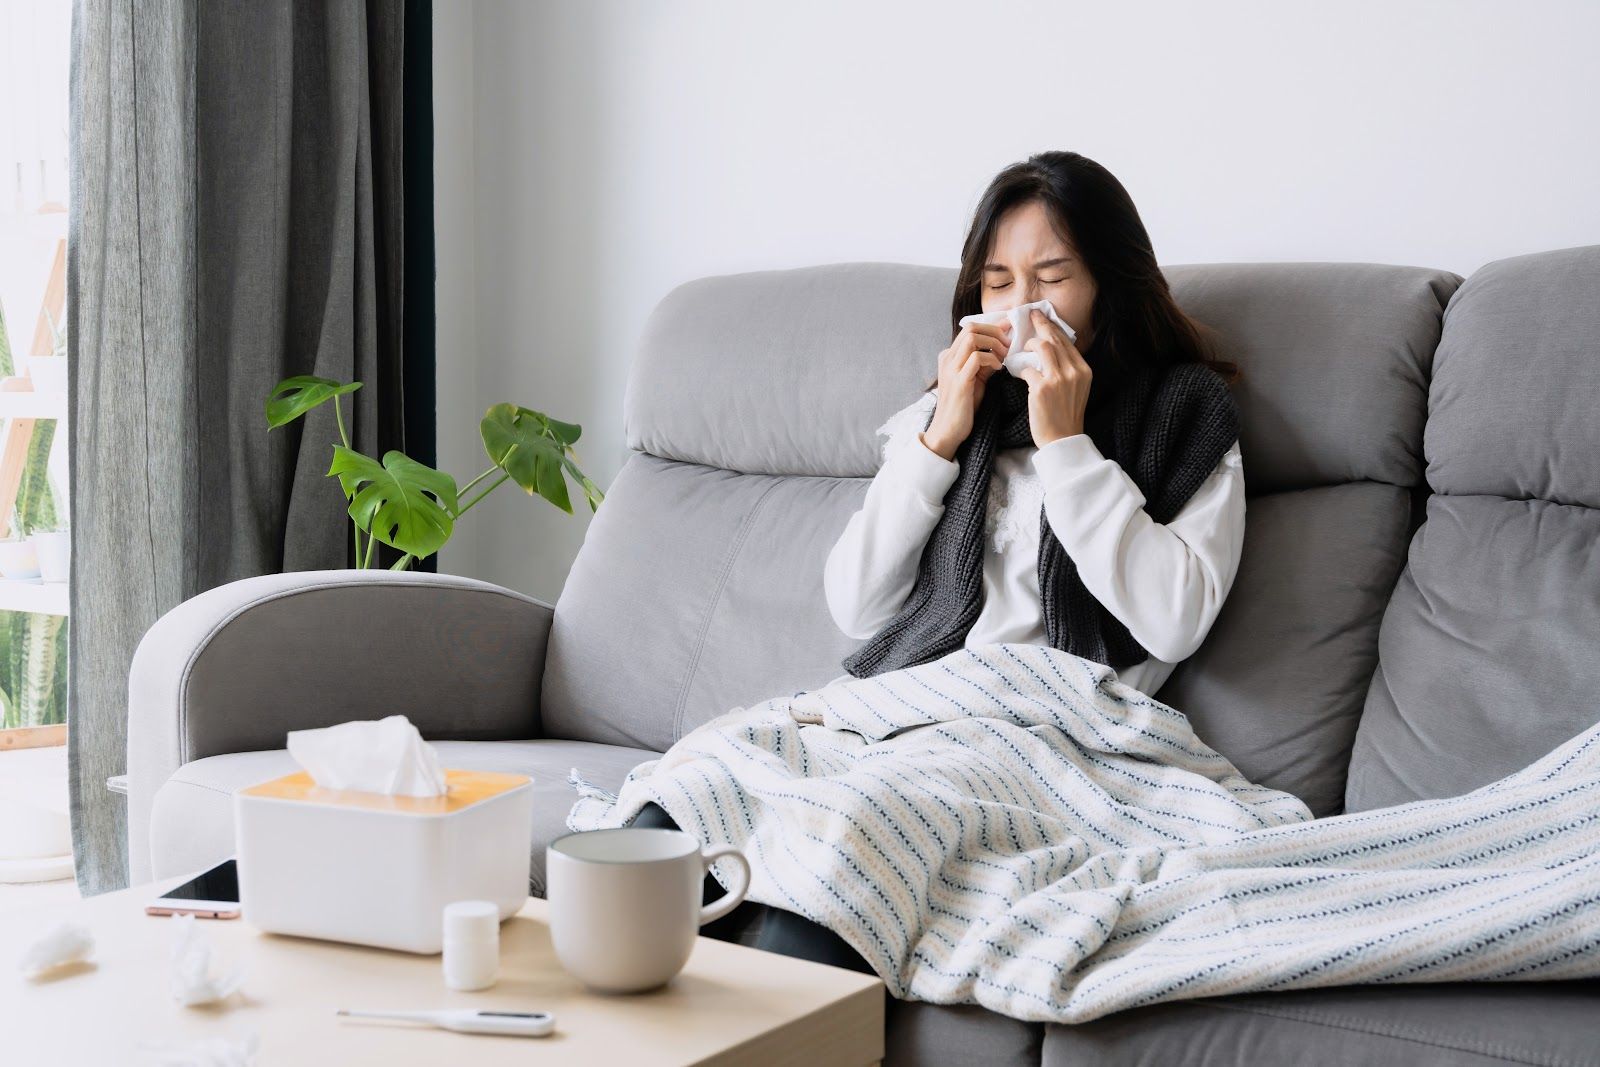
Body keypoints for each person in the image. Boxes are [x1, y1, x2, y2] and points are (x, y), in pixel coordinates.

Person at [633, 149, 1248, 975]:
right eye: (998, 282)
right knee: (689, 791)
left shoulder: (1185, 412)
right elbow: (855, 605)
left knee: (847, 839)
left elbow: (1173, 620)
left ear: (1110, 286)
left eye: (1053, 277)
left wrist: (1066, 440)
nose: (1023, 306)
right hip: (897, 712)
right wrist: (938, 438)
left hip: (1045, 729)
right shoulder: (947, 416)